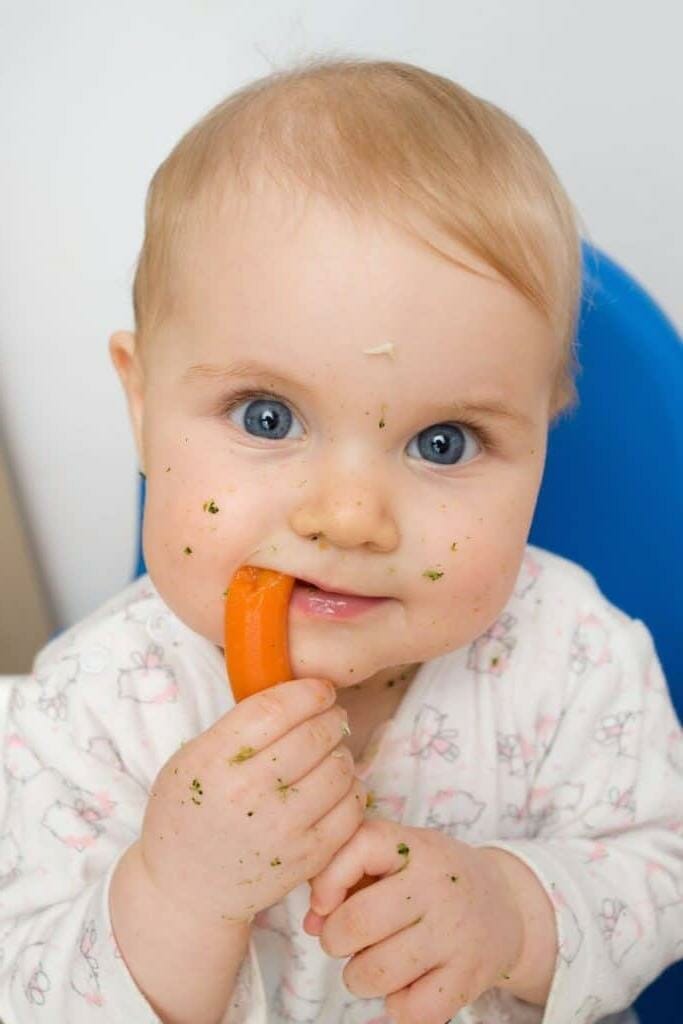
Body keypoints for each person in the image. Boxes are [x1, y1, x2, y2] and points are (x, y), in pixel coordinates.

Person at [0, 56, 681, 1024]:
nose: (348, 516)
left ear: (542, 435)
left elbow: (662, 862)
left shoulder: (572, 650)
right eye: (267, 417)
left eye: (442, 441)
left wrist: (515, 910)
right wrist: (173, 895)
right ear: (143, 404)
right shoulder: (90, 708)